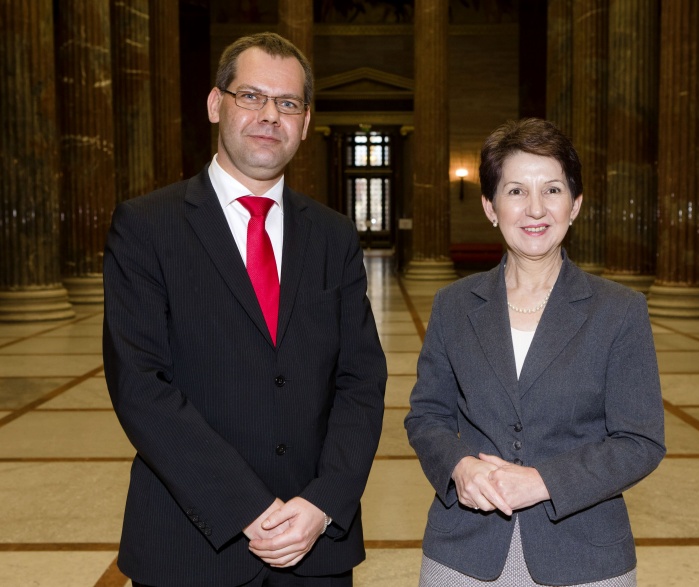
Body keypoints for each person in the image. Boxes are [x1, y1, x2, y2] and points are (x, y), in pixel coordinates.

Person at [103, 32, 386, 587]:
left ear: (305, 121)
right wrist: (245, 507)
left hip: (315, 545)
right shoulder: (147, 227)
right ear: (216, 104)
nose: (270, 116)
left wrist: (324, 502)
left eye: (288, 103)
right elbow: (140, 385)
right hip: (190, 545)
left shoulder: (333, 235)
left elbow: (361, 379)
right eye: (251, 96)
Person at [405, 118, 665, 587]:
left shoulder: (620, 310)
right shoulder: (454, 305)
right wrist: (459, 466)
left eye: (552, 190)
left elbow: (640, 441)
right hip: (464, 549)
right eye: (516, 191)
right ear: (490, 207)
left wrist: (543, 481)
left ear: (575, 204)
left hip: (584, 555)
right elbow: (427, 416)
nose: (535, 209)